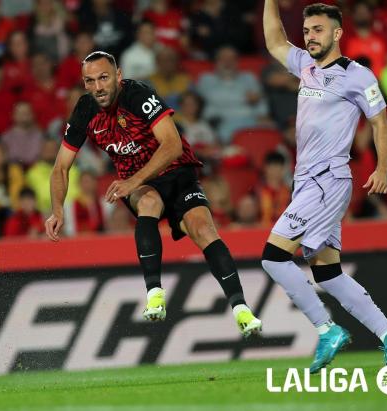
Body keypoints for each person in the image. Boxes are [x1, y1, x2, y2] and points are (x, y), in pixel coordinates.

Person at [45, 51, 262, 334]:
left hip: (176, 172)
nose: (98, 87)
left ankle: (241, 309)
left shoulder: (138, 95)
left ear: (118, 76)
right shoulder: (85, 110)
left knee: (203, 229)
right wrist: (58, 209)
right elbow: (60, 167)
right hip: (142, 185)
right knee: (149, 201)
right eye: (90, 81)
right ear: (84, 84)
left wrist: (133, 180)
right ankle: (155, 295)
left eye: (103, 78)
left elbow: (171, 145)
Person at [262, 1, 387, 372]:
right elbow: (273, 40)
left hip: (328, 179)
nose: (310, 37)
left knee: (273, 256)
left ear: (337, 33)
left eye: (318, 30)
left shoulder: (358, 76)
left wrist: (382, 167)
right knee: (327, 272)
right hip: (307, 181)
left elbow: (379, 124)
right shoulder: (305, 66)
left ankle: (326, 328)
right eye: (308, 30)